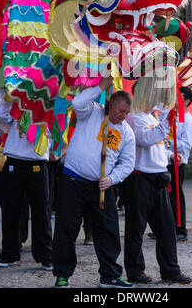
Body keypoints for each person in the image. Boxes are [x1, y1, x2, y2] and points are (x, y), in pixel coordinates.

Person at [51, 77, 136, 289]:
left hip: (102, 186)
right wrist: (100, 87)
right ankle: (62, 274)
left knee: (108, 230)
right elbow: (77, 102)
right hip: (73, 180)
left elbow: (128, 163)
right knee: (66, 228)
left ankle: (109, 275)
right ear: (110, 104)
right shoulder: (92, 111)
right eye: (119, 111)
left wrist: (111, 179)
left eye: (126, 112)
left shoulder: (126, 131)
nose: (122, 116)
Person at [122, 84, 192, 285]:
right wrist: (166, 124)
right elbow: (145, 139)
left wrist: (170, 156)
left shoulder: (151, 116)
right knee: (136, 228)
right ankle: (135, 270)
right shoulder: (133, 116)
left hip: (158, 177)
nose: (155, 97)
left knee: (167, 228)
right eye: (152, 92)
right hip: (139, 179)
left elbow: (157, 146)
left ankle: (170, 269)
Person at [0, 99, 53, 270]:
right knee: (11, 211)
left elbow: (52, 132)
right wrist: (9, 97)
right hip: (13, 162)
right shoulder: (18, 105)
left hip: (37, 164)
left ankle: (45, 255)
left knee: (41, 212)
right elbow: (1, 115)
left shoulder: (46, 108)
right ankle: (9, 254)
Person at [169, 86, 192, 242]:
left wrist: (168, 141)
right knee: (165, 196)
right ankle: (166, 226)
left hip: (178, 162)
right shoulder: (171, 115)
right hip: (166, 159)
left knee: (176, 195)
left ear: (186, 101)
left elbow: (186, 144)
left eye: (179, 97)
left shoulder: (188, 120)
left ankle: (181, 228)